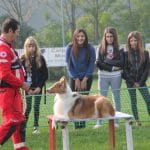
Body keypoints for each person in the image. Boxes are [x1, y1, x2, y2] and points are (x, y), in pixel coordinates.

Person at [0, 18, 30, 150]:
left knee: (20, 121)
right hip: (8, 92)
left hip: (14, 92)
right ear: (10, 30)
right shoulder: (3, 48)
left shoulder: (9, 46)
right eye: (17, 31)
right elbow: (5, 74)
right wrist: (21, 84)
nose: (18, 34)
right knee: (13, 121)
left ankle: (20, 147)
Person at [65, 28, 96, 129]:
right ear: (75, 37)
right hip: (74, 78)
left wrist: (85, 79)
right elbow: (68, 65)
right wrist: (76, 79)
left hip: (87, 77)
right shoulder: (69, 48)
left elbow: (92, 64)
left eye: (82, 36)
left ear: (85, 37)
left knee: (84, 102)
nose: (80, 38)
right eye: (78, 36)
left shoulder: (90, 48)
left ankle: (83, 125)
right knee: (74, 101)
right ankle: (76, 125)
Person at [94, 27, 124, 128]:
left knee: (116, 98)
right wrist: (111, 67)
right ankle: (99, 122)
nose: (109, 38)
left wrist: (107, 62)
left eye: (111, 36)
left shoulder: (120, 48)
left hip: (116, 76)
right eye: (107, 36)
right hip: (103, 76)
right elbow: (98, 63)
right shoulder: (100, 47)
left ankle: (116, 121)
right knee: (101, 99)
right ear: (105, 37)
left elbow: (121, 63)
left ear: (114, 37)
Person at [21, 36, 48, 134]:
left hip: (38, 88)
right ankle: (23, 127)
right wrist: (27, 89)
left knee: (36, 106)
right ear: (26, 47)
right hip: (27, 88)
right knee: (28, 107)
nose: (31, 48)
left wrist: (39, 87)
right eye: (29, 46)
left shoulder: (41, 58)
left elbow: (45, 74)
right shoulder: (23, 59)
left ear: (36, 47)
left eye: (33, 46)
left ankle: (36, 127)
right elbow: (20, 76)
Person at [123, 31, 150, 126]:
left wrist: (140, 82)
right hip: (130, 83)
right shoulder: (125, 54)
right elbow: (124, 70)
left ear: (139, 41)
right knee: (133, 102)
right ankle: (138, 121)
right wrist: (132, 82)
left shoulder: (146, 53)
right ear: (129, 42)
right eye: (131, 40)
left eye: (135, 40)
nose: (133, 42)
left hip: (142, 82)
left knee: (148, 100)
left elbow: (147, 70)